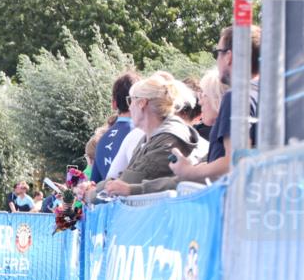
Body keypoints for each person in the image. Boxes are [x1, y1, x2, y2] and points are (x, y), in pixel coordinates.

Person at [170, 24, 261, 183]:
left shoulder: (237, 96)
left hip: (237, 201)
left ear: (229, 56)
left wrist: (189, 172)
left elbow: (234, 161)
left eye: (217, 53)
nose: (217, 60)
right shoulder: (269, 95)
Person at [92, 73, 200, 198]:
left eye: (130, 100)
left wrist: (91, 193)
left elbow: (128, 182)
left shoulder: (168, 139)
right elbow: (123, 180)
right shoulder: (151, 137)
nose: (130, 107)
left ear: (142, 103)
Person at [90, 71, 139, 183]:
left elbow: (93, 185)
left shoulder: (101, 139)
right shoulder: (139, 133)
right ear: (140, 101)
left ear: (114, 104)